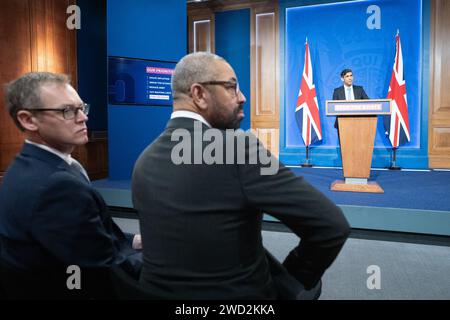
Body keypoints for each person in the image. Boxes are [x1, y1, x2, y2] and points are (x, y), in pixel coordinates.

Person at [132, 52, 350, 300]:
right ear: (199, 94)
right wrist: (289, 281)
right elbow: (331, 226)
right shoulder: (238, 149)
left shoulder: (143, 161)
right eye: (232, 87)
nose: (242, 97)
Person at [0, 72, 142, 299]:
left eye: (81, 107)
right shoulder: (56, 186)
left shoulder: (27, 167)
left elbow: (82, 238)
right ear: (28, 119)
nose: (83, 118)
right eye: (67, 111)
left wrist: (132, 240)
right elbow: (103, 272)